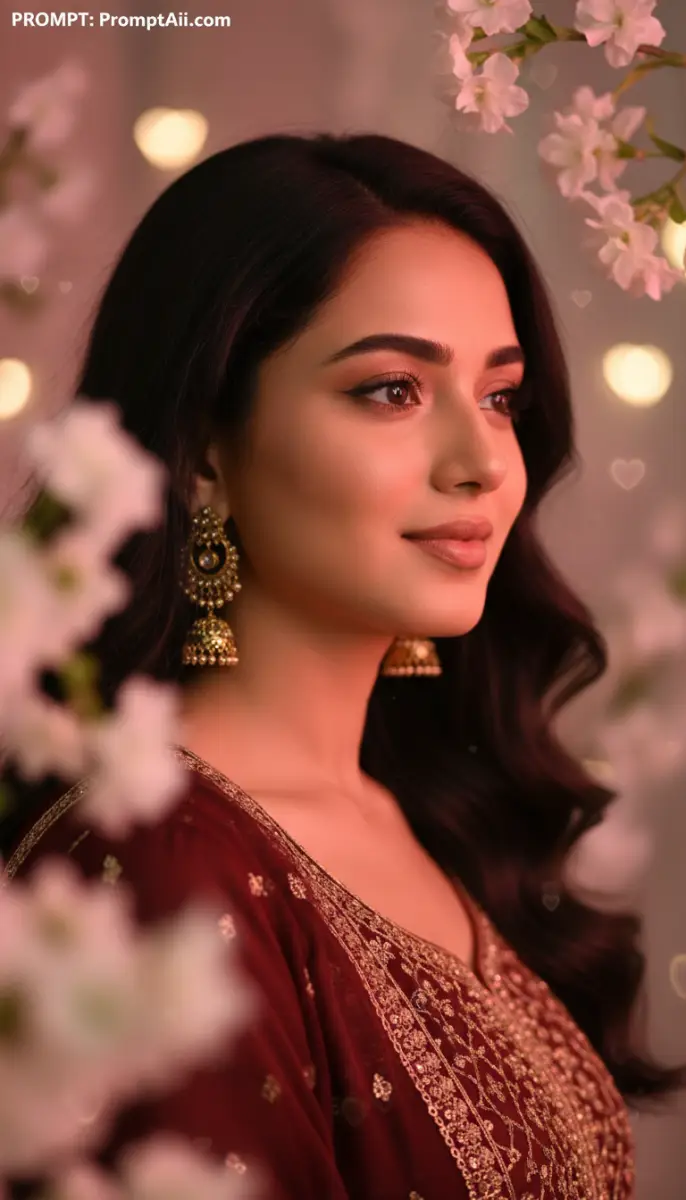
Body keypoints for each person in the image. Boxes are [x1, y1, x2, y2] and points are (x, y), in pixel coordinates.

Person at [2, 132, 684, 1200]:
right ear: (206, 446)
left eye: (499, 396)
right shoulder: (172, 864)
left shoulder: (420, 808)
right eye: (391, 390)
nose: (480, 464)